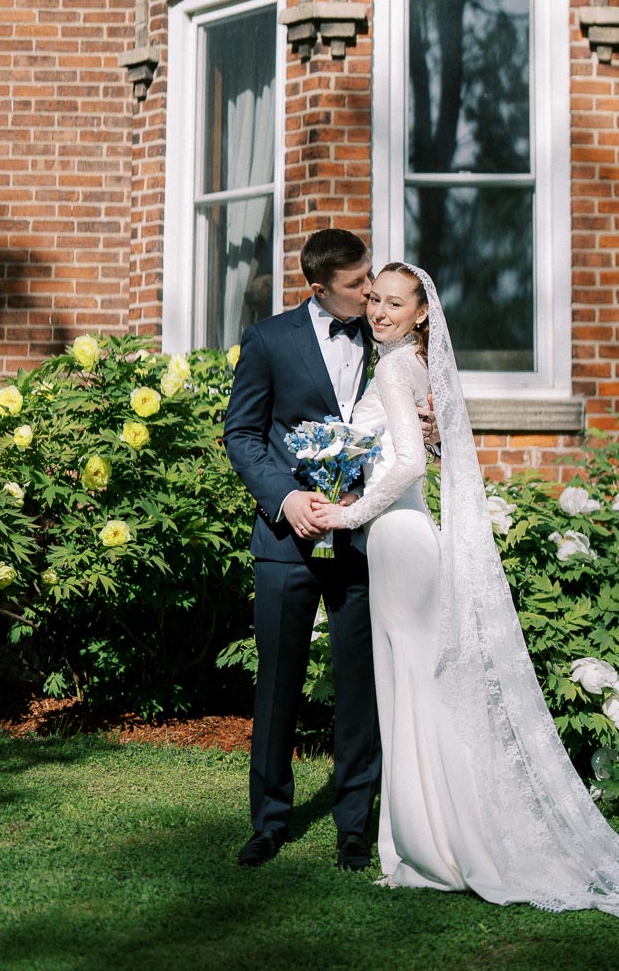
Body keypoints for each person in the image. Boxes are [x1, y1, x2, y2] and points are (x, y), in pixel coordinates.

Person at [310, 262, 619, 939]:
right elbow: (413, 451)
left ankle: (435, 848)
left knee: (413, 691)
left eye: (394, 303)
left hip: (398, 540)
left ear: (421, 314)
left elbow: (407, 465)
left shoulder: (393, 370)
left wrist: (344, 514)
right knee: (418, 691)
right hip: (405, 537)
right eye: (374, 298)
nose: (379, 310)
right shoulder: (410, 366)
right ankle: (431, 836)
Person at [223, 228, 381, 871]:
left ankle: (354, 826)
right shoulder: (268, 340)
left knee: (360, 686)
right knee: (278, 685)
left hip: (364, 538)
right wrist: (286, 499)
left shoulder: (388, 337)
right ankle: (268, 823)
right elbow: (242, 434)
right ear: (319, 289)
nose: (370, 291)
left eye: (369, 275)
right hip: (287, 541)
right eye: (356, 283)